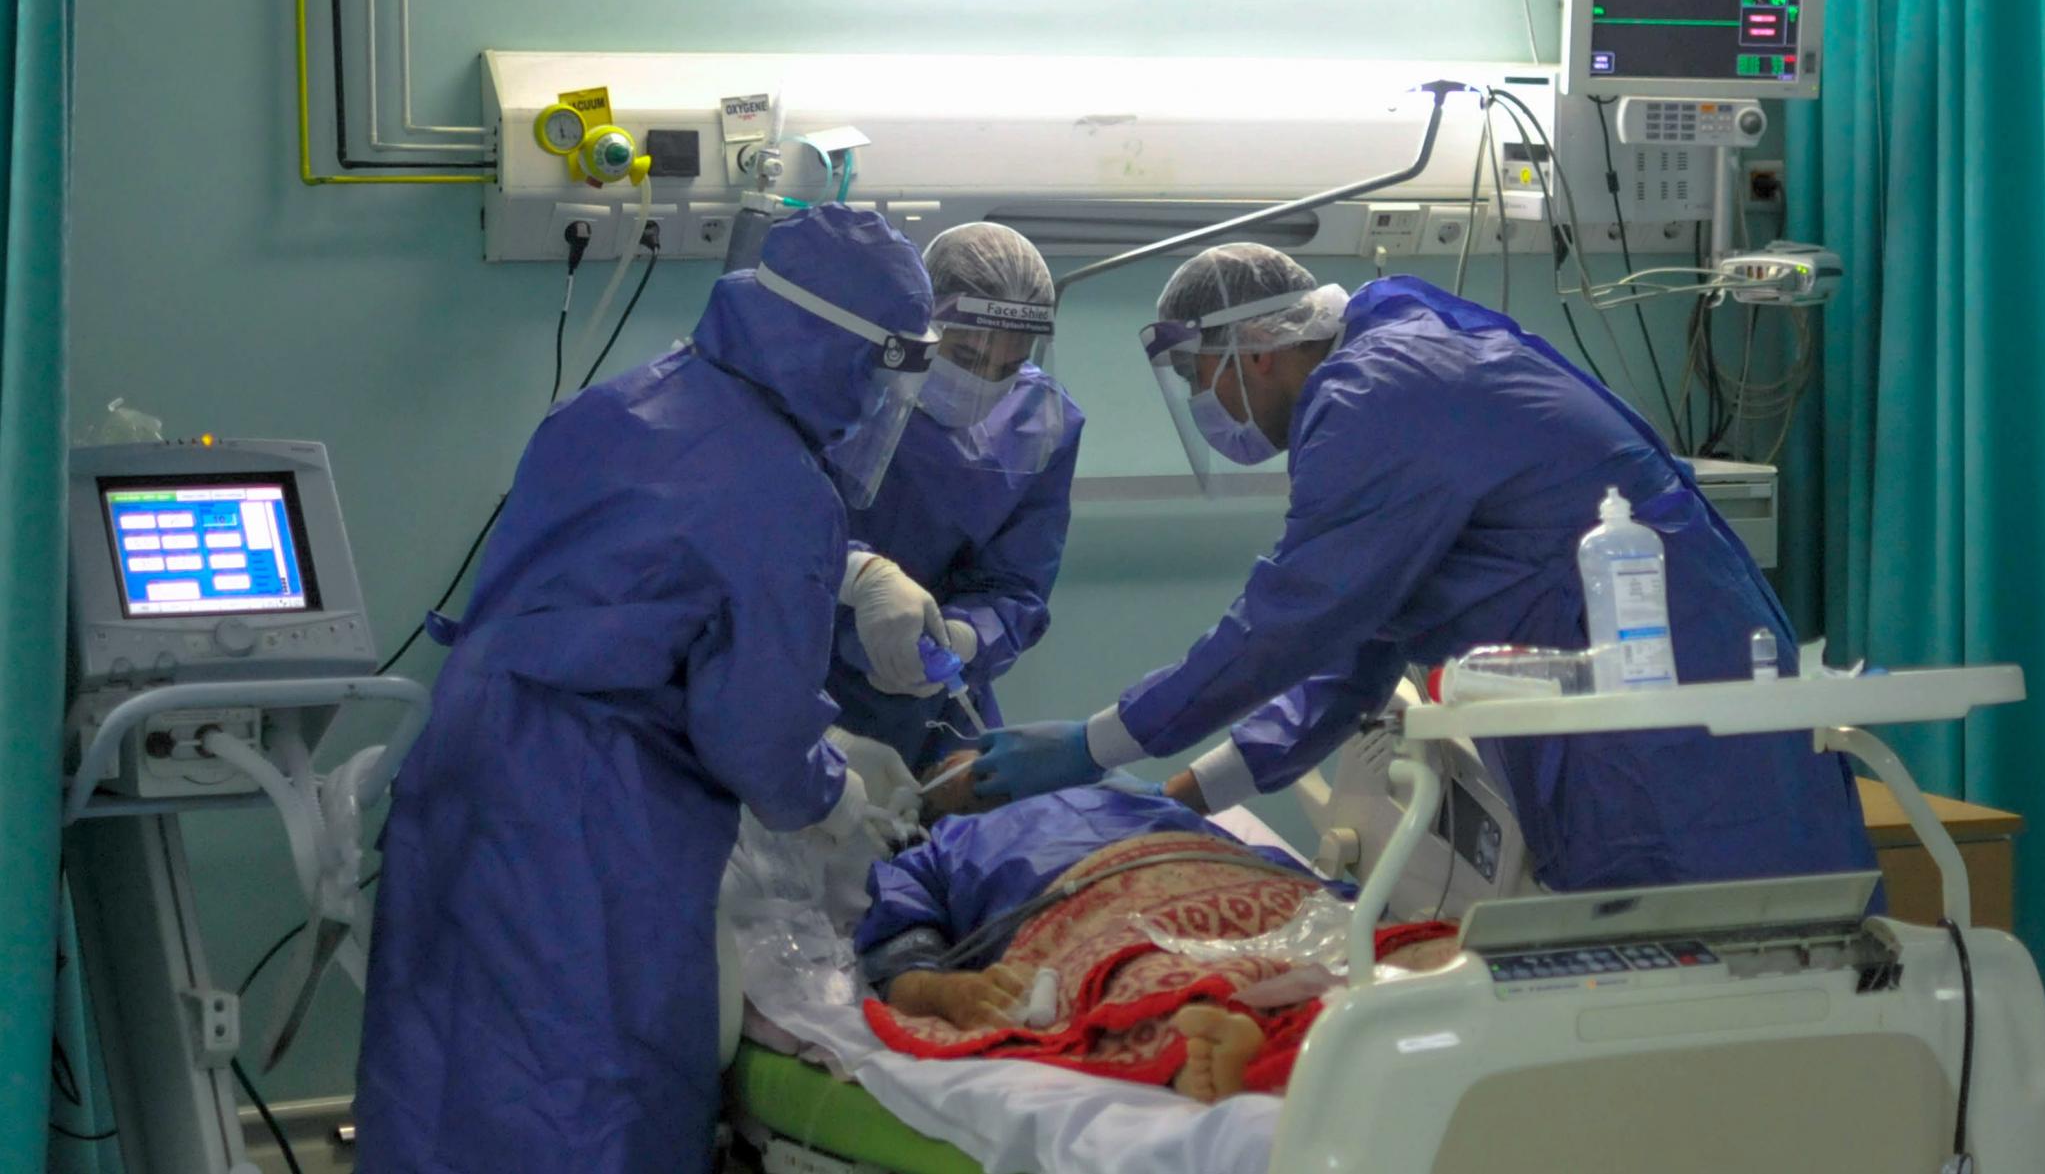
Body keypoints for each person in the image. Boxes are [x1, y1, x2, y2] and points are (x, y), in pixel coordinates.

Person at [971, 244, 1874, 896]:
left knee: (1740, 979)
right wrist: (1187, 798)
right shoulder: (1395, 372)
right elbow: (1354, 651)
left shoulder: (1376, 393)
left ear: (1259, 350)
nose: (1207, 404)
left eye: (1203, 376)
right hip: (1636, 706)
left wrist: (1099, 741)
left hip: (1674, 726)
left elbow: (1293, 617)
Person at [357, 206, 940, 1174]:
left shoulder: (625, 403)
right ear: (844, 352)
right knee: (580, 1096)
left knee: (442, 1072)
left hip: (467, 762)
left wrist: (848, 568)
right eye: (889, 366)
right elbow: (753, 735)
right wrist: (836, 798)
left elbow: (643, 559)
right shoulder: (786, 489)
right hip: (593, 821)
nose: (885, 395)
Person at [854, 761, 1449, 1104]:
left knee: (1367, 942)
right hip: (1095, 905)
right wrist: (942, 992)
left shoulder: (1138, 798)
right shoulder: (941, 847)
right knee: (1143, 974)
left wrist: (1349, 909)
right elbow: (899, 941)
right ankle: (1237, 1054)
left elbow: (1256, 856)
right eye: (947, 765)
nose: (975, 758)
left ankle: (1437, 980)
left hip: (1223, 874)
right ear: (927, 802)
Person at [828, 223, 1082, 772]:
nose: (985, 381)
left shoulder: (1039, 422)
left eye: (1008, 368)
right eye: (966, 356)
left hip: (932, 703)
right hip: (794, 673)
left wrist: (967, 639)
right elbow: (762, 524)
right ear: (924, 318)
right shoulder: (847, 382)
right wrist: (856, 576)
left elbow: (1016, 582)